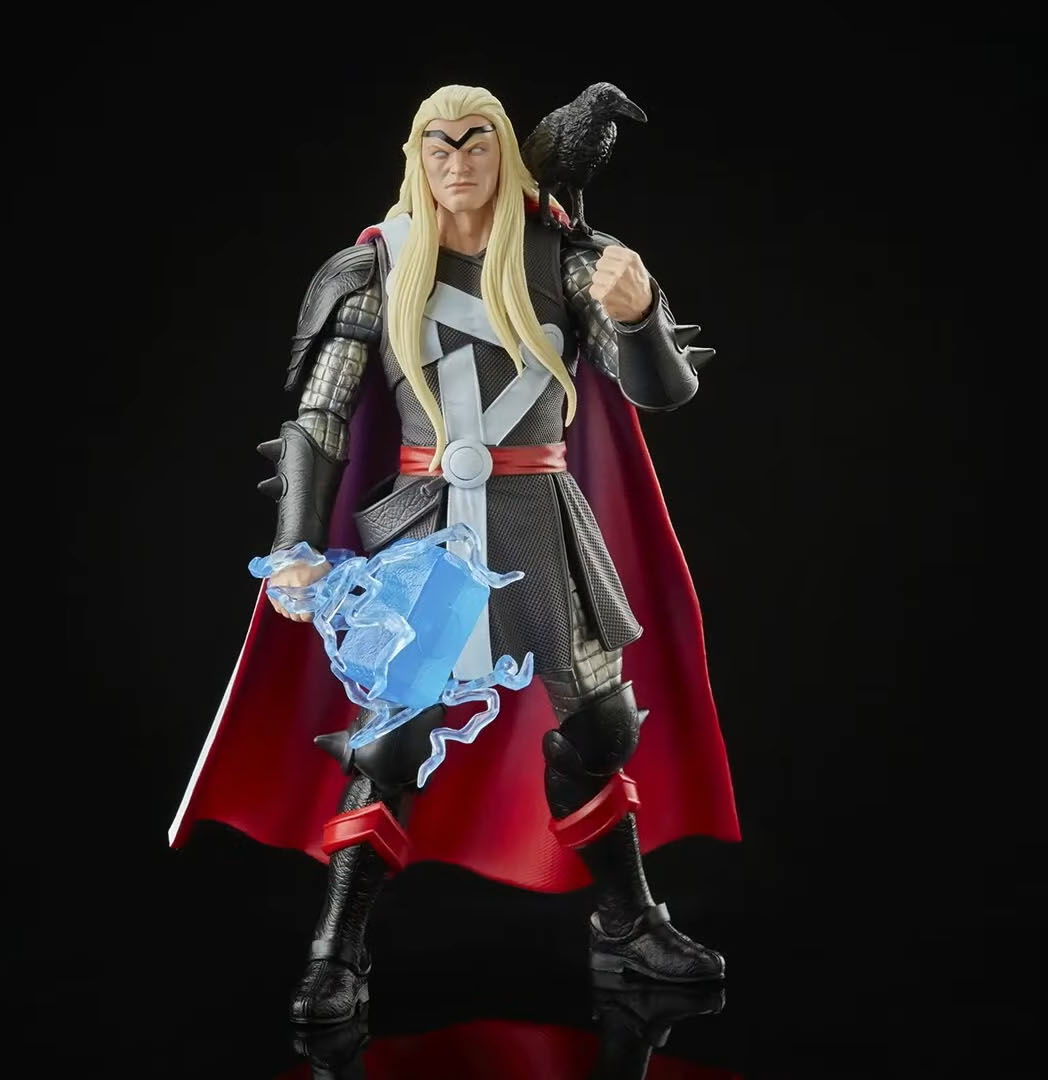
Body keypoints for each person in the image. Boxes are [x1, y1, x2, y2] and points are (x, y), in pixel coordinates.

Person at [168, 84, 740, 1026]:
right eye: (439, 146)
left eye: (477, 143)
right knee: (391, 738)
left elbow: (660, 391)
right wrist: (295, 544)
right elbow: (321, 416)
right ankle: (337, 949)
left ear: (505, 153)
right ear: (417, 159)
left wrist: (638, 314)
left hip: (543, 516)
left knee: (602, 727)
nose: (458, 162)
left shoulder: (568, 258)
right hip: (424, 530)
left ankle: (626, 923)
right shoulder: (377, 268)